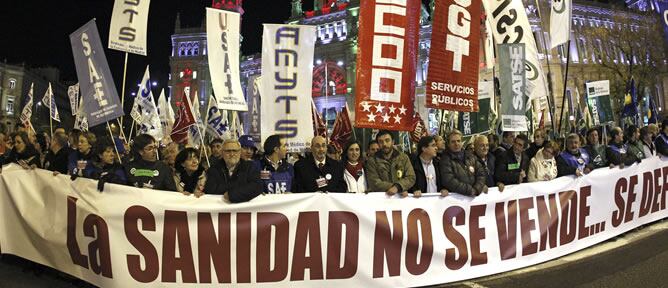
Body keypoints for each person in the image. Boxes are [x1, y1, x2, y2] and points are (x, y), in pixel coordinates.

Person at [366, 130, 415, 196]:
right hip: (382, 198)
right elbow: (374, 182)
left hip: (401, 198)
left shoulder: (403, 158)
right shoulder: (372, 160)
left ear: (393, 142)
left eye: (387, 140)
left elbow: (411, 177)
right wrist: (395, 187)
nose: (384, 144)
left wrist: (398, 186)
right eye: (381, 142)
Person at [440, 130, 487, 196]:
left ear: (462, 142)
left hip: (475, 197)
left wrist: (477, 188)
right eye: (453, 142)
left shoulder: (471, 156)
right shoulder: (445, 160)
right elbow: (449, 180)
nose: (456, 144)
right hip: (457, 199)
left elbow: (481, 173)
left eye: (458, 141)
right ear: (448, 144)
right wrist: (469, 190)